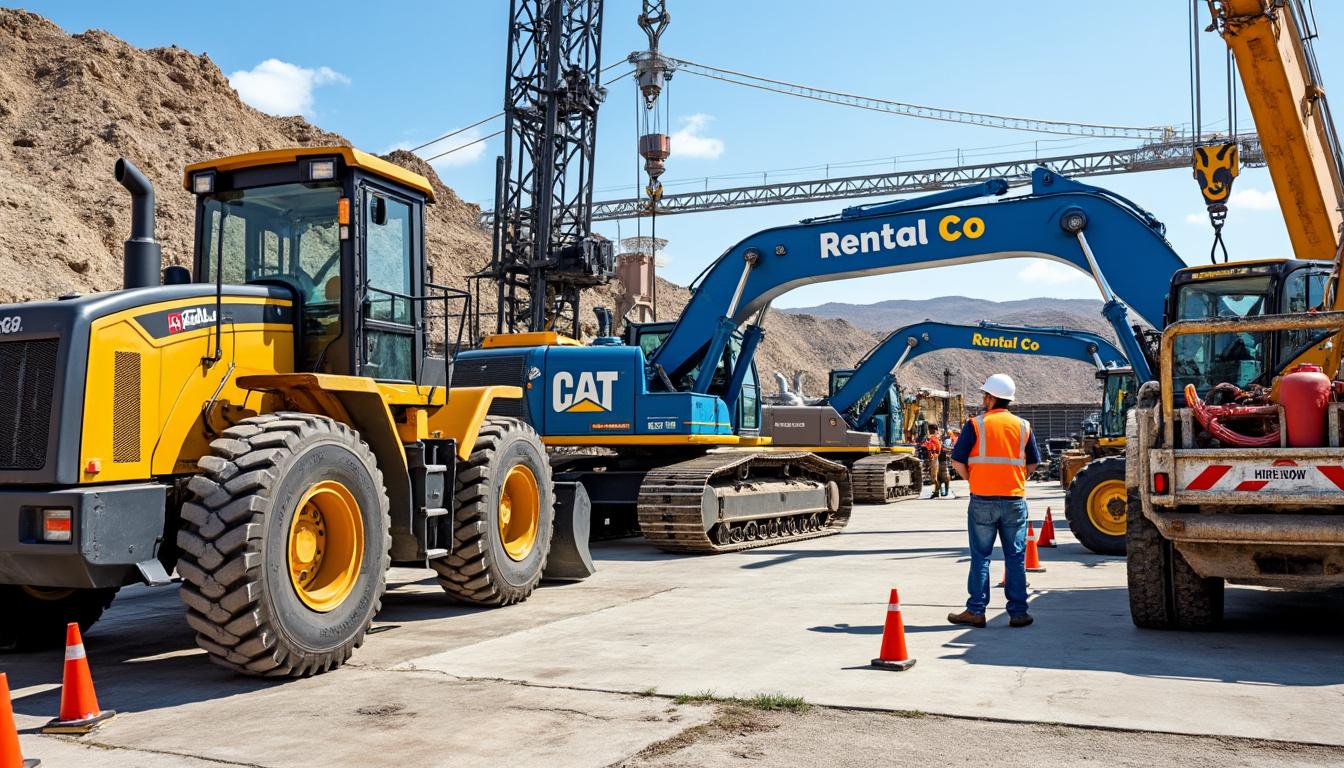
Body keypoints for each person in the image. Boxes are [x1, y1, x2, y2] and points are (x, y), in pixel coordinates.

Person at [946, 374, 1040, 629]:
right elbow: (1032, 463)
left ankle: (976, 610)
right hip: (1014, 500)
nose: (983, 399)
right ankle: (1018, 613)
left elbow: (957, 461)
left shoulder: (975, 424)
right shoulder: (1023, 426)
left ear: (991, 397)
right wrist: (1017, 479)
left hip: (982, 500)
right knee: (1015, 558)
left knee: (980, 557)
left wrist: (972, 480)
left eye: (984, 395)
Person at [921, 425, 943, 498]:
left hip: (934, 459)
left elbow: (937, 449)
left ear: (933, 429)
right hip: (933, 458)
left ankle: (937, 491)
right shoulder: (934, 437)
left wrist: (933, 456)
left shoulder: (934, 438)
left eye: (930, 429)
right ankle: (937, 491)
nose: (929, 431)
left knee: (934, 476)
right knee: (934, 476)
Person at [940, 429, 958, 498]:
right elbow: (945, 448)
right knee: (945, 477)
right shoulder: (947, 440)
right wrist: (952, 449)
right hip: (944, 461)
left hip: (944, 460)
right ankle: (944, 492)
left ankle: (943, 492)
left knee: (942, 477)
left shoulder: (946, 439)